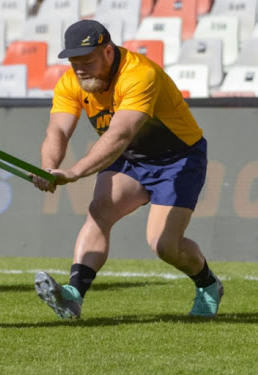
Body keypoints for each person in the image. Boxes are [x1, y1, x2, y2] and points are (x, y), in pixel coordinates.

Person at [30, 19, 222, 319]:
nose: (79, 69)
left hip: (178, 159)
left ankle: (208, 285)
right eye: (74, 62)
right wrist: (49, 167)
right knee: (100, 210)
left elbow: (119, 134)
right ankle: (73, 296)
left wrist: (75, 172)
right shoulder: (71, 81)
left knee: (163, 245)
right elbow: (57, 131)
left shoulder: (140, 74)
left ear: (108, 52)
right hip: (133, 157)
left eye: (87, 60)